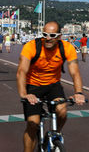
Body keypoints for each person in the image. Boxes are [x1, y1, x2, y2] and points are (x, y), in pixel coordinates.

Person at [16, 21, 85, 152]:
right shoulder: (31, 47)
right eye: (45, 34)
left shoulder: (67, 48)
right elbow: (21, 72)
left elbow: (75, 72)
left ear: (59, 36)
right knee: (33, 123)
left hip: (53, 85)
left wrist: (79, 93)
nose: (48, 38)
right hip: (33, 86)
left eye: (52, 35)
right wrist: (24, 94)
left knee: (62, 110)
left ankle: (56, 134)